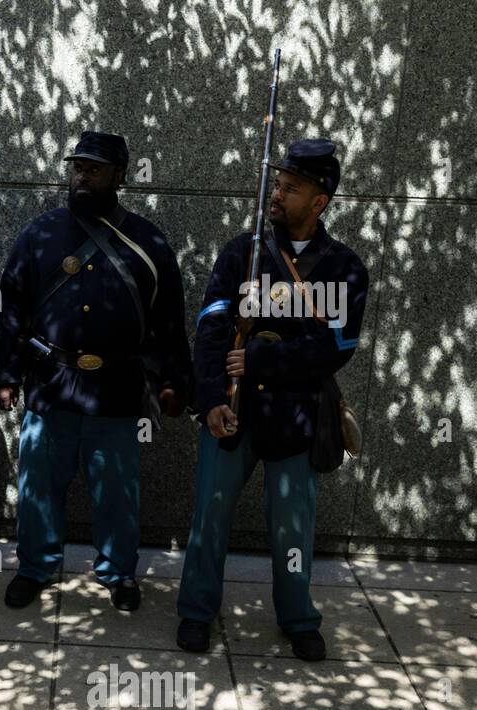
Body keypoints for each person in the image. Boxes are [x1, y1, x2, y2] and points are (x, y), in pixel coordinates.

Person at [176, 138, 368, 662]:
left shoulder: (345, 268)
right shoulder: (244, 251)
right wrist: (210, 398)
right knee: (209, 515)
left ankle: (297, 616)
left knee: (292, 526)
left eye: (291, 188)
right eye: (277, 184)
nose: (277, 195)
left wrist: (263, 360)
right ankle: (195, 610)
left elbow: (337, 347)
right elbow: (211, 329)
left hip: (297, 414)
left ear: (320, 201)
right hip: (233, 410)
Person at [0, 131, 190, 611]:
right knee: (38, 488)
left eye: (95, 168)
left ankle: (119, 573)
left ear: (120, 177)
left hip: (117, 393)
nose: (82, 175)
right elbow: (11, 308)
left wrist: (174, 381)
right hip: (51, 386)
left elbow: (168, 321)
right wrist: (3, 373)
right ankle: (35, 567)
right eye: (78, 166)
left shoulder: (148, 242)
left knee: (117, 496)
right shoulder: (40, 235)